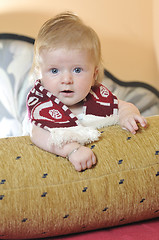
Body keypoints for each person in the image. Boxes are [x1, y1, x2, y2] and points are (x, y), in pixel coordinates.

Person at [26, 11, 147, 172]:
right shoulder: (42, 109)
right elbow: (37, 133)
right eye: (54, 71)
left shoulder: (99, 99)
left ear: (94, 75)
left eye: (77, 70)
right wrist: (72, 150)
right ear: (40, 74)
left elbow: (124, 106)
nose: (66, 79)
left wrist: (128, 115)